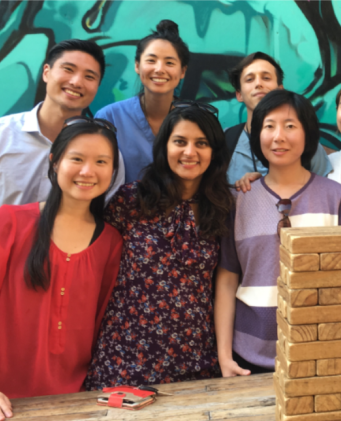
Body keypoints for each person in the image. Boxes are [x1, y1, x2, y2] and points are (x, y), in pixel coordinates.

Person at [0, 118, 123, 421]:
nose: (87, 171)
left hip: (71, 401)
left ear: (112, 171)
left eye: (101, 161)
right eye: (77, 159)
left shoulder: (110, 241)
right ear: (54, 162)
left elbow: (99, 320)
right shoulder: (9, 223)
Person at [86, 102, 233, 388]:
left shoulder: (223, 207)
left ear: (214, 152)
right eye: (180, 141)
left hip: (196, 360)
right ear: (164, 147)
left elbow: (227, 281)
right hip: (123, 359)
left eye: (201, 143)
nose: (189, 152)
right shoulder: (131, 200)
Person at [0, 39, 124, 277]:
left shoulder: (107, 157)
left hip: (65, 288)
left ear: (97, 86)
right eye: (68, 69)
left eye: (89, 76)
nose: (76, 82)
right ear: (46, 72)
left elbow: (102, 224)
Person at [215, 90, 341, 376]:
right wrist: (224, 356)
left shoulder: (335, 197)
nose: (278, 136)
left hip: (319, 355)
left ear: (307, 134)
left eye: (290, 126)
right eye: (269, 126)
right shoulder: (239, 199)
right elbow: (228, 279)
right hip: (248, 358)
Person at [95, 20, 188, 184]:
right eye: (151, 60)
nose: (159, 69)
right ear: (137, 66)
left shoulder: (197, 120)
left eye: (169, 62)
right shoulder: (109, 117)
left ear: (183, 71)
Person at [224, 51, 332, 185]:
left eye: (266, 78)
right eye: (250, 79)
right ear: (239, 95)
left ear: (280, 89)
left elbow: (323, 193)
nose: (258, 84)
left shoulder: (304, 142)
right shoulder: (225, 141)